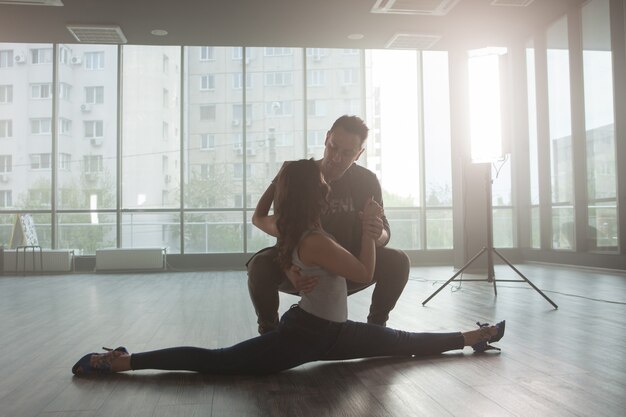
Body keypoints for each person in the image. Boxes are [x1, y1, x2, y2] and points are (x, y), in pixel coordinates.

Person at [72, 159, 504, 376]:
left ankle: (473, 336)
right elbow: (364, 274)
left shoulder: (291, 225)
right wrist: (370, 231)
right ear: (312, 196)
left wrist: (280, 183)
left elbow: (259, 215)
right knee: (217, 364)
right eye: (321, 185)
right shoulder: (314, 238)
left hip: (334, 334)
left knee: (403, 342)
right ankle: (122, 362)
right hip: (303, 339)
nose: (327, 185)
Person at [248, 115, 410, 334]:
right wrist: (288, 267)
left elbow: (384, 232)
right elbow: (283, 229)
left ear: (359, 154)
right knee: (260, 265)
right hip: (303, 270)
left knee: (398, 261)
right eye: (333, 147)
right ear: (326, 139)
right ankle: (269, 334)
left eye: (347, 153)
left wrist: (373, 230)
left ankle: (377, 328)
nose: (336, 158)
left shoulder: (366, 180)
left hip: (349, 266)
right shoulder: (299, 176)